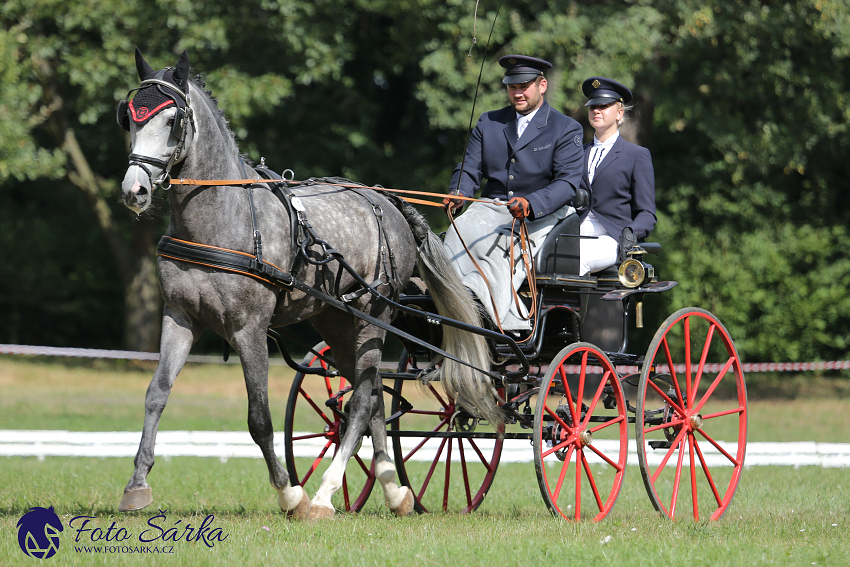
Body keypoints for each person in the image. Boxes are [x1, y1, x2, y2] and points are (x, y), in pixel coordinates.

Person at [442, 55, 585, 332]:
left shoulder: (566, 128)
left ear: (542, 85)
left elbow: (567, 183)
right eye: (512, 87)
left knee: (500, 251)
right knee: (457, 232)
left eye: (525, 86)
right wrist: (458, 192)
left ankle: (483, 311)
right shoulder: (489, 122)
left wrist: (531, 203)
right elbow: (469, 168)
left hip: (541, 213)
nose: (518, 92)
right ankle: (448, 299)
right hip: (489, 206)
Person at [578, 77, 656, 276]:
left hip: (612, 237)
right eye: (593, 106)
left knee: (578, 258)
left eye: (604, 106)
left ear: (619, 113)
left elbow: (647, 213)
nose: (596, 110)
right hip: (573, 233)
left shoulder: (636, 155)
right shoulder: (577, 152)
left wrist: (631, 232)